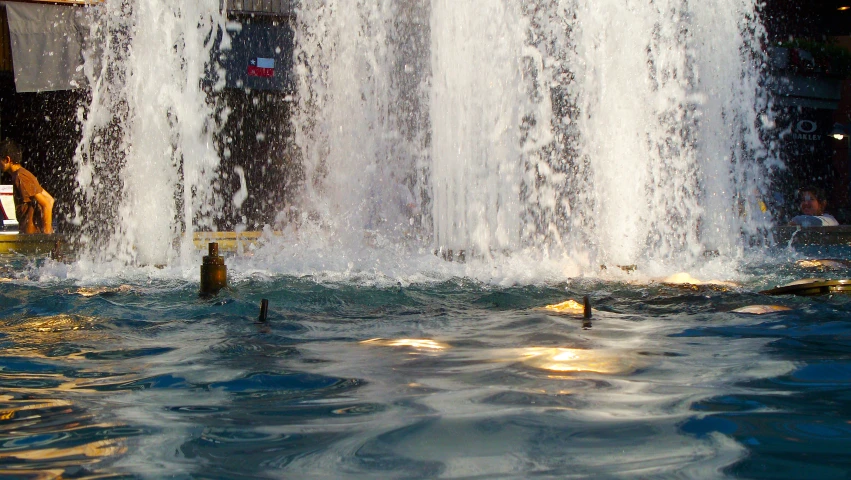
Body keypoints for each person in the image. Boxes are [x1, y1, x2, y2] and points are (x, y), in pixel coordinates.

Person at [0, 139, 54, 234]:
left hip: (33, 239)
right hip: (32, 237)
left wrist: (47, 235)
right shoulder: (22, 174)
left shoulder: (20, 177)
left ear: (7, 159)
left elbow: (46, 204)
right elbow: (50, 199)